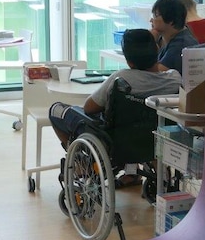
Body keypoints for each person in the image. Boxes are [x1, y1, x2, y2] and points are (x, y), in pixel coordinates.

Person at [49, 29, 182, 187]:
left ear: (129, 62)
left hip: (116, 140)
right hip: (155, 139)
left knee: (55, 109)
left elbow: (89, 108)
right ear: (157, 50)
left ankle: (79, 162)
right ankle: (132, 174)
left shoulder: (122, 79)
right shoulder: (174, 78)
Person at [149, 0, 199, 74]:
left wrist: (149, 42)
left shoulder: (181, 44)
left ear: (170, 20)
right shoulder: (163, 37)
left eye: (156, 16)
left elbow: (156, 73)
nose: (151, 20)